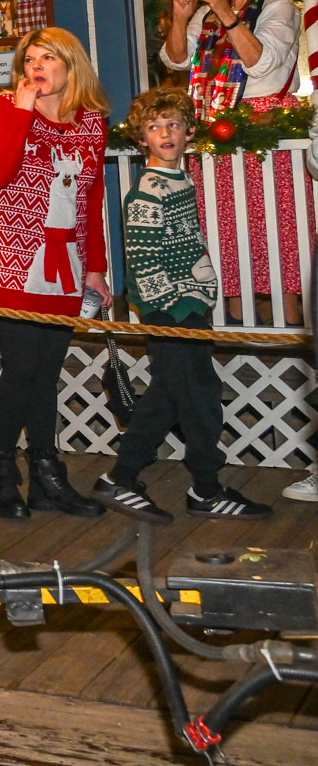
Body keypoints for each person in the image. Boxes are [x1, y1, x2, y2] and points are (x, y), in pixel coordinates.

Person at [94, 87, 273, 522]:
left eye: (173, 124)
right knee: (200, 396)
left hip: (190, 302)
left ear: (189, 131)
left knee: (169, 397)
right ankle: (206, 488)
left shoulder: (181, 179)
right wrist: (174, 305)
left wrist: (202, 290)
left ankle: (121, 477)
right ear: (141, 139)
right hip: (170, 308)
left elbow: (186, 242)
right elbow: (142, 259)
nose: (165, 133)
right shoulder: (147, 192)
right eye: (154, 128)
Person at [0, 27, 109, 520]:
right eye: (29, 58)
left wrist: (94, 267)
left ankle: (48, 476)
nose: (36, 65)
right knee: (22, 369)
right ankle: (1, 474)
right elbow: (0, 171)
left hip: (66, 263)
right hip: (13, 259)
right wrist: (23, 108)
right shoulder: (6, 108)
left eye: (47, 57)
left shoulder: (92, 123)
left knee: (47, 372)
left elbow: (90, 200)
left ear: (70, 66)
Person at [159, 0, 302, 322]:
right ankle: (235, 323)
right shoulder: (206, 14)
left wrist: (227, 13)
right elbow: (175, 60)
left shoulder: (279, 6)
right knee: (224, 226)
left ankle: (290, 322)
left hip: (266, 125)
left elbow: (261, 61)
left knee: (277, 223)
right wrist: (182, 18)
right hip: (214, 125)